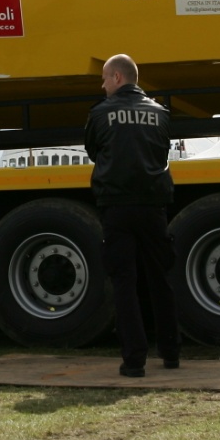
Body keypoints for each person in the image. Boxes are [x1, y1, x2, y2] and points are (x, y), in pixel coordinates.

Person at [84, 53, 180, 378]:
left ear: (117, 77)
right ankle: (171, 352)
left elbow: (94, 152)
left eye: (104, 78)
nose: (102, 85)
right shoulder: (160, 113)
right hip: (154, 205)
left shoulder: (100, 113)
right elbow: (161, 150)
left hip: (117, 205)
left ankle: (134, 360)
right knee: (160, 277)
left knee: (124, 282)